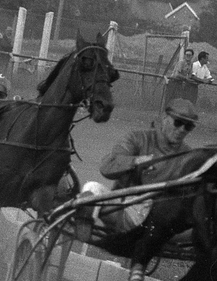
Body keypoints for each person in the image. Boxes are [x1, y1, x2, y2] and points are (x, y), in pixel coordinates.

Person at [78, 98, 199, 236]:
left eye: (188, 126)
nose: (182, 130)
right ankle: (82, 231)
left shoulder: (188, 156)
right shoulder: (137, 138)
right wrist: (135, 162)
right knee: (92, 188)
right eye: (178, 123)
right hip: (121, 208)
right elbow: (107, 166)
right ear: (165, 119)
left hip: (156, 218)